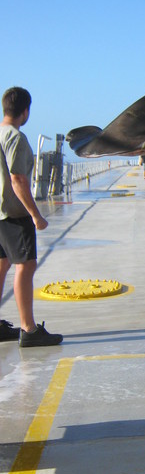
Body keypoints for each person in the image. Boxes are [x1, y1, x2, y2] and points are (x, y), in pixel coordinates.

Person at [0, 87, 63, 347]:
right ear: (25, 111)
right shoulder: (16, 137)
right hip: (14, 214)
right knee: (25, 267)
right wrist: (35, 215)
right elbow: (18, 179)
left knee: (2, 266)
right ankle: (29, 329)